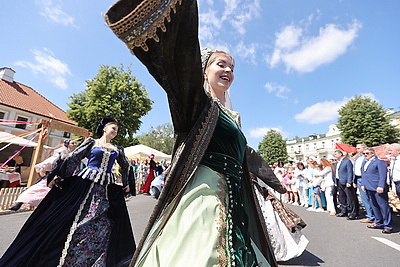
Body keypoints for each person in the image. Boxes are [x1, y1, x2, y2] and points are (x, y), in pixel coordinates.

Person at [105, 2, 289, 265]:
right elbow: (183, 59)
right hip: (204, 198)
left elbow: (247, 155)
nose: (228, 71)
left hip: (234, 199)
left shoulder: (231, 117)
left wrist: (275, 184)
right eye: (221, 64)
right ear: (204, 70)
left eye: (232, 68)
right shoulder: (196, 105)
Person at [0, 117, 136, 266]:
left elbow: (126, 166)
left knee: (105, 222)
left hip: (106, 189)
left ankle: (96, 259)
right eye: (113, 128)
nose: (115, 132)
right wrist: (60, 175)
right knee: (73, 218)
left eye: (117, 130)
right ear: (104, 129)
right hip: (85, 183)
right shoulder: (92, 143)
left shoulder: (117, 149)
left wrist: (127, 182)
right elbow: (73, 158)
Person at [8, 139, 78, 211]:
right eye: (72, 143)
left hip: (69, 179)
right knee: (34, 189)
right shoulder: (61, 154)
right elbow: (47, 163)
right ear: (67, 145)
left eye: (75, 143)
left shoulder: (77, 155)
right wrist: (42, 170)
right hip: (55, 178)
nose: (75, 144)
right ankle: (19, 203)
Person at [360, 148, 392, 234]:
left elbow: (382, 175)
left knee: (383, 206)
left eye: (367, 153)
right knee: (374, 206)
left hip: (377, 187)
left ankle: (387, 225)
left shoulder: (379, 162)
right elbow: (364, 175)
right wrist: (363, 184)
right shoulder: (364, 162)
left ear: (373, 153)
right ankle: (378, 222)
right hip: (368, 187)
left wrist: (381, 186)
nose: (365, 155)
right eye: (364, 153)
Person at [354, 143, 375, 223]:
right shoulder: (357, 157)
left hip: (366, 179)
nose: (357, 150)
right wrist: (354, 180)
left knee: (371, 197)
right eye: (357, 148)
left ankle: (375, 216)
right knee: (364, 198)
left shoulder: (367, 157)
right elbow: (355, 169)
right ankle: (369, 216)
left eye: (359, 148)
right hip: (358, 178)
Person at [334, 150, 357, 220]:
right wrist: (335, 181)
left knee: (350, 198)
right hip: (339, 181)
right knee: (341, 197)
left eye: (335, 154)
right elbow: (336, 173)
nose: (334, 155)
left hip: (346, 181)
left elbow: (350, 172)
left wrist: (349, 181)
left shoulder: (347, 161)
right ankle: (344, 211)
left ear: (340, 154)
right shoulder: (337, 163)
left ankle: (353, 213)